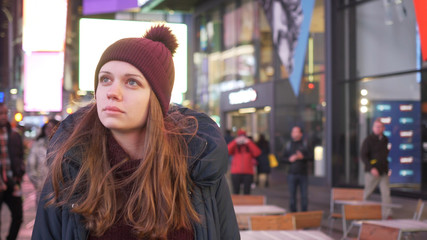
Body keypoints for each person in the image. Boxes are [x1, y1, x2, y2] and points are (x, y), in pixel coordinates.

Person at [32, 25, 239, 240]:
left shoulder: (199, 166)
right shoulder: (70, 168)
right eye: (105, 79)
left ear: (157, 99)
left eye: (132, 82)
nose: (112, 92)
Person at [0, 103, 25, 240]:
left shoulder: (14, 135)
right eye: (0, 114)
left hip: (12, 181)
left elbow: (20, 156)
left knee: (18, 216)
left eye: (5, 113)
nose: (3, 116)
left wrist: (19, 174)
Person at [360, 118, 392, 219]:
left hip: (383, 170)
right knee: (367, 193)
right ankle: (360, 213)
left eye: (379, 127)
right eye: (375, 127)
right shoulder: (368, 140)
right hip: (372, 171)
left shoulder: (385, 139)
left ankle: (387, 214)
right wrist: (371, 168)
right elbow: (363, 156)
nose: (377, 129)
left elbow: (384, 154)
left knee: (386, 193)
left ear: (383, 128)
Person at [26, 119, 59, 205]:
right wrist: (38, 183)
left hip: (59, 192)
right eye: (47, 127)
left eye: (52, 127)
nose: (49, 130)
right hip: (42, 190)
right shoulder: (38, 145)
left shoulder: (63, 145)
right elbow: (31, 166)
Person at [283, 126, 310, 212]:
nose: (294, 133)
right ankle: (293, 216)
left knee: (304, 196)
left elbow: (312, 157)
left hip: (303, 174)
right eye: (293, 132)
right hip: (292, 173)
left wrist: (302, 157)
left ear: (301, 134)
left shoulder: (305, 144)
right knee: (292, 196)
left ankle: (304, 217)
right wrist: (289, 159)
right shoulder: (288, 145)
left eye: (296, 132)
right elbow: (282, 158)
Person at [228, 129, 261, 195]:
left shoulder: (249, 145)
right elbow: (227, 150)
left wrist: (248, 142)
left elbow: (257, 152)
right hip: (235, 172)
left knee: (247, 192)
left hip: (248, 172)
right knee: (235, 192)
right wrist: (235, 141)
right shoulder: (235, 146)